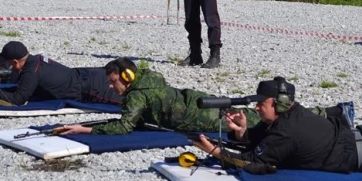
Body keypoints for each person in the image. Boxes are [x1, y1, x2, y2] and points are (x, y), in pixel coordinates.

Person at [193, 77, 362, 174]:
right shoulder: (289, 116)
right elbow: (261, 142)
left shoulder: (287, 131)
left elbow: (253, 163)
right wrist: (242, 133)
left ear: (280, 104)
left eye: (262, 103)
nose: (258, 107)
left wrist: (215, 152)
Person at [61, 58, 337, 136]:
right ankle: (324, 114)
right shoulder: (148, 78)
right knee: (258, 115)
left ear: (126, 78)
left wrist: (85, 128)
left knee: (261, 121)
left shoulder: (136, 97)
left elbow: (123, 127)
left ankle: (326, 115)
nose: (111, 88)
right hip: (194, 100)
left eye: (113, 82)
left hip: (199, 116)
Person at [0, 41, 122, 106]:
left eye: (7, 63)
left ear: (15, 62)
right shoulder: (36, 60)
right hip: (85, 74)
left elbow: (18, 99)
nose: (6, 66)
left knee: (127, 98)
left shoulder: (31, 71)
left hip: (88, 88)